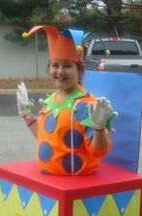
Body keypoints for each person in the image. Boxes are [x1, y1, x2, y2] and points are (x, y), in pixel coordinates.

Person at [17, 25, 117, 176]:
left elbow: (99, 151)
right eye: (55, 65)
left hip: (76, 187)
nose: (60, 71)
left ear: (79, 70)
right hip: (48, 183)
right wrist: (26, 115)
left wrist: (99, 128)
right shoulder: (49, 101)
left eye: (67, 66)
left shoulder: (88, 104)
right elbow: (44, 136)